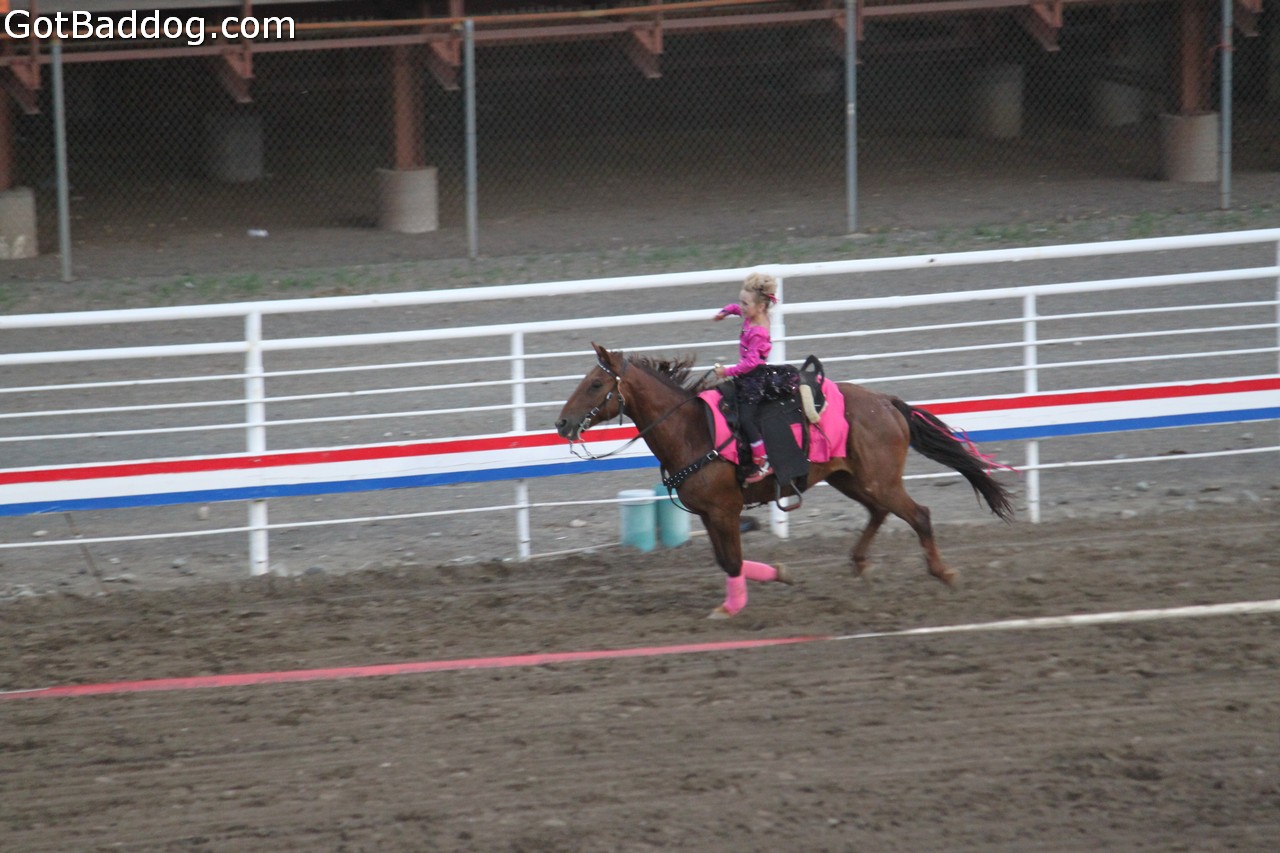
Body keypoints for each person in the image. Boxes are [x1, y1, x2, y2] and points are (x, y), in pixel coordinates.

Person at [712, 272, 797, 485]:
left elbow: (751, 363)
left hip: (754, 380)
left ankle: (763, 459)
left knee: (746, 418)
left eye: (745, 304)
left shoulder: (758, 331)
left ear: (760, 307)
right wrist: (725, 312)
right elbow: (736, 308)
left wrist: (727, 372)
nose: (740, 307)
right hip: (748, 376)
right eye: (740, 302)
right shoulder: (752, 314)